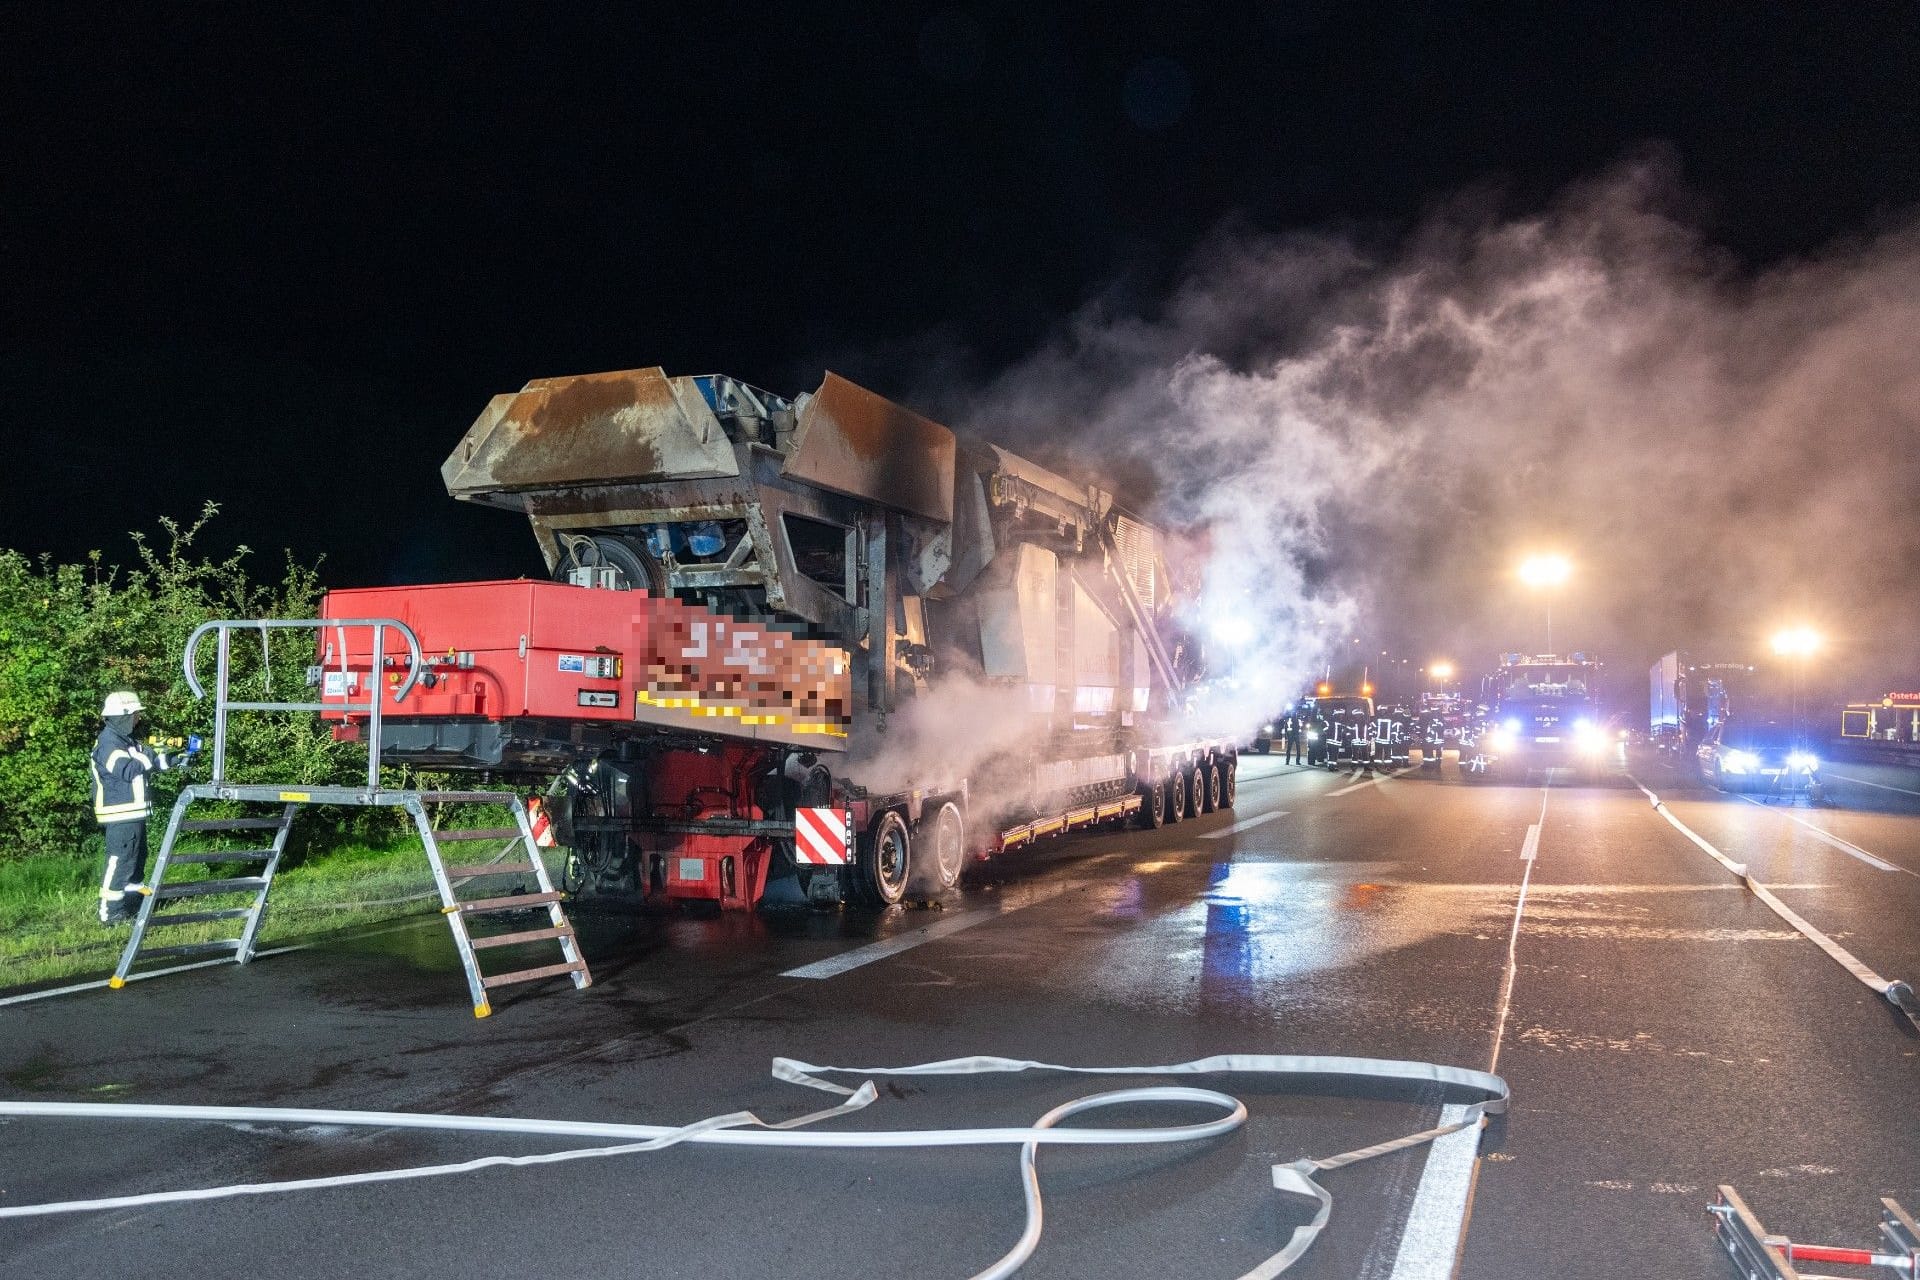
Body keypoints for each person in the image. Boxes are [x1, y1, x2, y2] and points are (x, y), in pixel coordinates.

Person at [90, 691, 193, 924]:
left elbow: (150, 764)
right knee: (120, 861)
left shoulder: (126, 740)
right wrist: (147, 754)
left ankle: (132, 905)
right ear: (123, 715)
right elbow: (127, 770)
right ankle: (110, 913)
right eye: (135, 714)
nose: (138, 719)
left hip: (133, 813)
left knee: (136, 859)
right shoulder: (108, 742)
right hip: (120, 813)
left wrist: (176, 759)